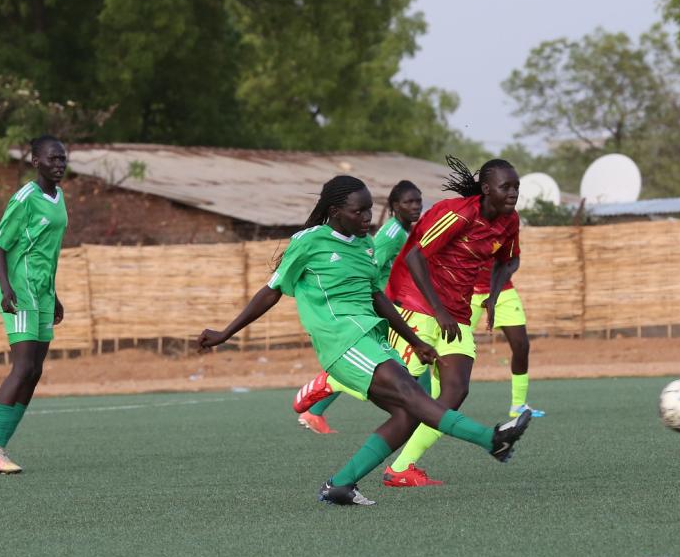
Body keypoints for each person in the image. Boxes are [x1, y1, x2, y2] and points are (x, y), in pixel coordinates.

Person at [197, 175, 531, 506]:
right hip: (341, 339)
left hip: (373, 337)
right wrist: (225, 333)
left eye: (369, 210)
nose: (367, 218)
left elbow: (377, 298)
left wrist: (414, 341)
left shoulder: (366, 245)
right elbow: (271, 292)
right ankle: (491, 439)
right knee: (412, 396)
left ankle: (341, 485)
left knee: (407, 413)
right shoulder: (309, 241)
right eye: (359, 211)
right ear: (335, 212)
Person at [379, 157, 523, 487]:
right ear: (486, 189)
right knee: (399, 392)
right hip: (418, 305)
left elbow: (508, 261)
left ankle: (401, 467)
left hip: (456, 313)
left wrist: (493, 296)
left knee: (456, 390)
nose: (513, 192)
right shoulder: (458, 214)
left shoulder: (509, 221)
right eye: (506, 186)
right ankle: (329, 384)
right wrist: (439, 310)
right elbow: (414, 256)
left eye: (516, 186)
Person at [294, 180, 423, 435]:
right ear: (395, 206)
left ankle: (317, 407)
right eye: (409, 202)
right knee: (404, 371)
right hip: (380, 309)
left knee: (405, 369)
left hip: (395, 307)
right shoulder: (391, 234)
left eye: (418, 201)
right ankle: (324, 388)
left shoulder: (404, 232)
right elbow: (370, 270)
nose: (415, 206)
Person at [0, 135, 69, 474]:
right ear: (36, 162)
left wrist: (54, 293)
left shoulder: (59, 197)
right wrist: (6, 288)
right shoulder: (24, 198)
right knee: (23, 366)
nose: (59, 164)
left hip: (43, 292)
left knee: (35, 370)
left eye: (62, 158)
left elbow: (47, 251)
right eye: (53, 158)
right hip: (21, 290)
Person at [469, 262, 541, 418]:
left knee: (521, 345)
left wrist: (496, 287)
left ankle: (518, 405)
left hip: (503, 290)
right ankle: (436, 403)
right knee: (451, 345)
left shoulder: (506, 242)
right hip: (468, 289)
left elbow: (513, 261)